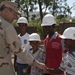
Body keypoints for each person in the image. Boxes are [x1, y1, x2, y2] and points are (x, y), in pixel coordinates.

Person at [0, 1, 48, 75]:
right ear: (6, 11)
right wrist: (38, 64)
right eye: (14, 14)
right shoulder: (7, 27)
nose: (15, 17)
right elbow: (19, 50)